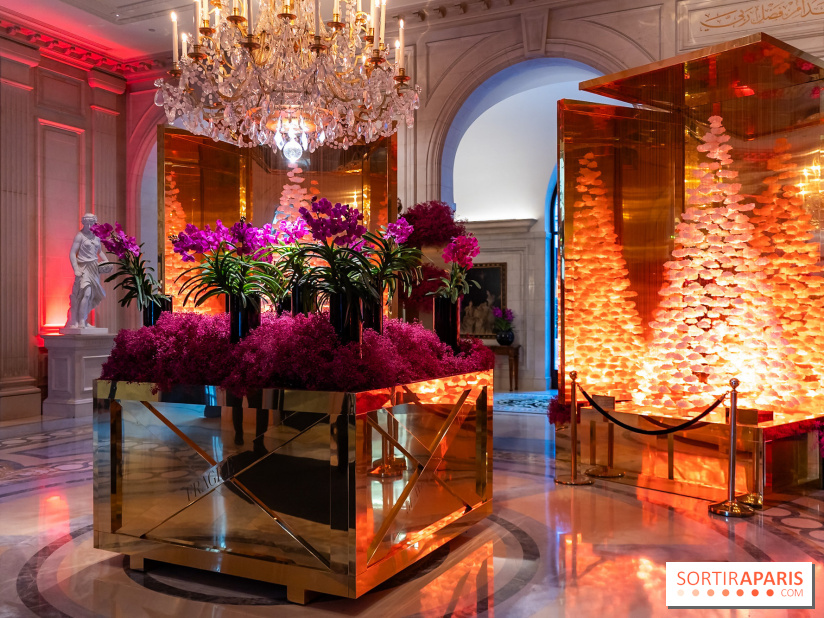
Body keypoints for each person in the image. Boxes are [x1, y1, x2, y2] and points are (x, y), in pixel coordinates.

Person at [66, 213, 112, 329]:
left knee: (91, 295)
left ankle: (84, 320)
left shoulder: (96, 237)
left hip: (94, 268)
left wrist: (107, 261)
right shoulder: (80, 236)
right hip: (83, 268)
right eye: (87, 223)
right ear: (83, 223)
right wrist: (76, 268)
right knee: (85, 293)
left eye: (92, 223)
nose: (90, 225)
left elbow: (100, 251)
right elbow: (72, 253)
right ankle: (80, 321)